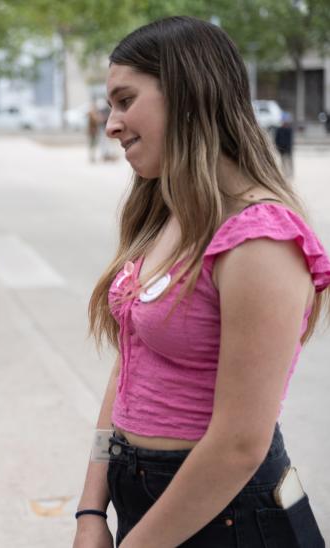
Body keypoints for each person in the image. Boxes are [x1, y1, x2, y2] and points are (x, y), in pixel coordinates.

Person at [74, 17, 328, 547]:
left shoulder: (260, 241)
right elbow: (130, 361)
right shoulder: (170, 212)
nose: (111, 124)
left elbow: (239, 445)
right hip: (142, 498)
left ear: (188, 95)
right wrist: (91, 510)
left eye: (125, 100)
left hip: (227, 517)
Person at [275, 112, 294, 179]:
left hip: (288, 149)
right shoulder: (279, 130)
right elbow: (276, 140)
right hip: (281, 149)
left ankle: (290, 174)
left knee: (289, 161)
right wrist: (278, 148)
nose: (285, 123)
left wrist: (289, 149)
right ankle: (283, 174)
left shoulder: (289, 130)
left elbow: (290, 141)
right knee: (283, 162)